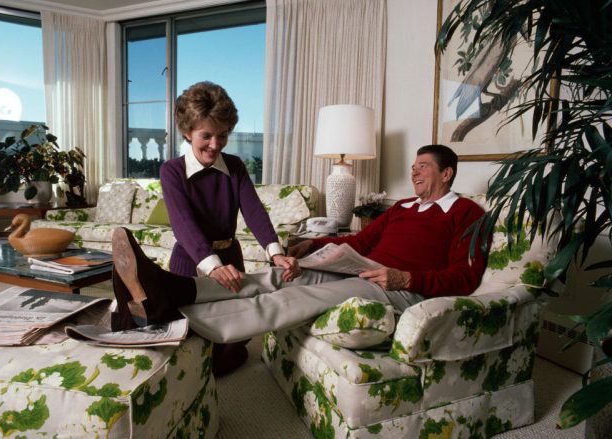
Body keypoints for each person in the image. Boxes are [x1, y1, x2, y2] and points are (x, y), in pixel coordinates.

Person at [111, 144, 488, 344]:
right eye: (414, 166)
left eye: (423, 166)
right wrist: (315, 247)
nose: (414, 172)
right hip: (366, 273)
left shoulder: (467, 214)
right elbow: (360, 239)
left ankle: (175, 323)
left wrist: (406, 278)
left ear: (447, 173)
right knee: (278, 278)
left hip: (402, 289)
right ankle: (171, 288)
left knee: (294, 298)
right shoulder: (403, 207)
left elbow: (465, 277)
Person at [130, 81, 297, 375]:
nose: (215, 144)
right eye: (206, 136)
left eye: (223, 135)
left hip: (231, 259)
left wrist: (275, 252)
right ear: (187, 131)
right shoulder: (172, 170)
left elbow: (254, 210)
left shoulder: (235, 166)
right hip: (189, 261)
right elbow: (184, 224)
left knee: (230, 333)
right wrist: (212, 266)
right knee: (185, 340)